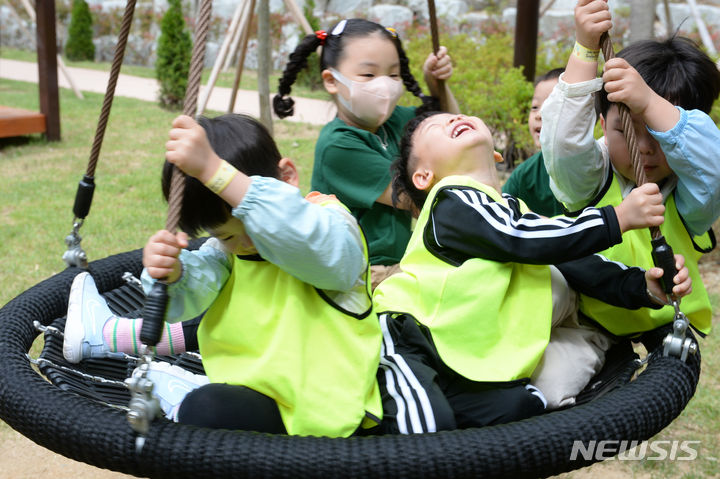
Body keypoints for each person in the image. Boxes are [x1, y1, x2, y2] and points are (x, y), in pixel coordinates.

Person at [63, 113, 383, 436]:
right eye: (228, 235)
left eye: (250, 227)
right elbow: (187, 302)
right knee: (205, 409)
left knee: (200, 408)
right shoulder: (226, 252)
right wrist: (173, 274)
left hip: (329, 406)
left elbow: (311, 245)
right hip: (260, 399)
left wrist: (215, 172)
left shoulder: (333, 225)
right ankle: (175, 384)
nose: (246, 242)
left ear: (287, 176)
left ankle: (179, 390)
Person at [372, 111, 692, 430]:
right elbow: (520, 238)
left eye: (459, 114)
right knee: (425, 423)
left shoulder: (517, 213)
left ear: (495, 154)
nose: (453, 119)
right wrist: (617, 218)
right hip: (410, 337)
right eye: (434, 126)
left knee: (521, 403)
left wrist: (642, 287)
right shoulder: (450, 202)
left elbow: (575, 260)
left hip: (461, 360)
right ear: (424, 177)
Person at [540, 0, 720, 338]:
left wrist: (650, 103)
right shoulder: (592, 177)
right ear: (602, 124)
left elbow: (713, 163)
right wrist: (584, 50)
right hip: (590, 326)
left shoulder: (691, 196)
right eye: (624, 131)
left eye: (658, 132)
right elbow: (562, 145)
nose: (644, 148)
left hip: (667, 330)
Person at [274, 18, 460, 289]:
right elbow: (413, 198)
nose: (384, 85)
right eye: (368, 75)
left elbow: (452, 133)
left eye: (393, 75)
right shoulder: (339, 146)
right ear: (331, 81)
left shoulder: (393, 121)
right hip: (366, 273)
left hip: (398, 260)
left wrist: (437, 84)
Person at [502, 67, 566, 217]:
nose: (538, 114)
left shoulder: (594, 165)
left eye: (551, 105)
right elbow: (499, 210)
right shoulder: (525, 175)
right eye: (534, 107)